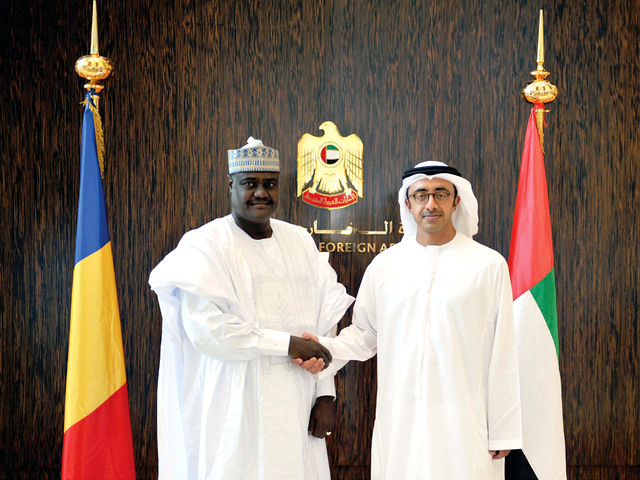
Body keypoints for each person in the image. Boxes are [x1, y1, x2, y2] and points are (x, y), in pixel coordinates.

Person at [297, 161, 523, 479]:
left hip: (464, 420)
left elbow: (503, 350)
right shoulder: (385, 266)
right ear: (408, 203)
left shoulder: (487, 265)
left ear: (456, 201)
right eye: (421, 195)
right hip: (400, 417)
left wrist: (502, 429)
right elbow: (364, 334)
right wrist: (323, 349)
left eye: (440, 194)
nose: (431, 204)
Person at [149, 137, 354, 480]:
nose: (261, 193)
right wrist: (286, 344)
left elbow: (325, 324)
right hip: (234, 405)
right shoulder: (205, 244)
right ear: (231, 186)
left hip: (297, 400)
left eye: (269, 184)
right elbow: (209, 332)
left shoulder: (300, 240)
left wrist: (325, 392)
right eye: (249, 183)